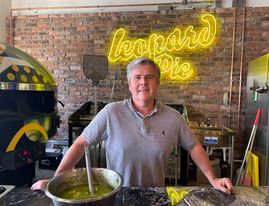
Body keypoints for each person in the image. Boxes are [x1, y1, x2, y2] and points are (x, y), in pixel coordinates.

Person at [31, 57, 233, 194]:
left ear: (158, 84)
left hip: (155, 196)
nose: (143, 82)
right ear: (129, 85)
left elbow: (194, 146)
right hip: (116, 196)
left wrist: (213, 179)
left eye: (149, 77)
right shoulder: (111, 112)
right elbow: (80, 144)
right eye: (137, 77)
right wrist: (55, 180)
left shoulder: (173, 118)